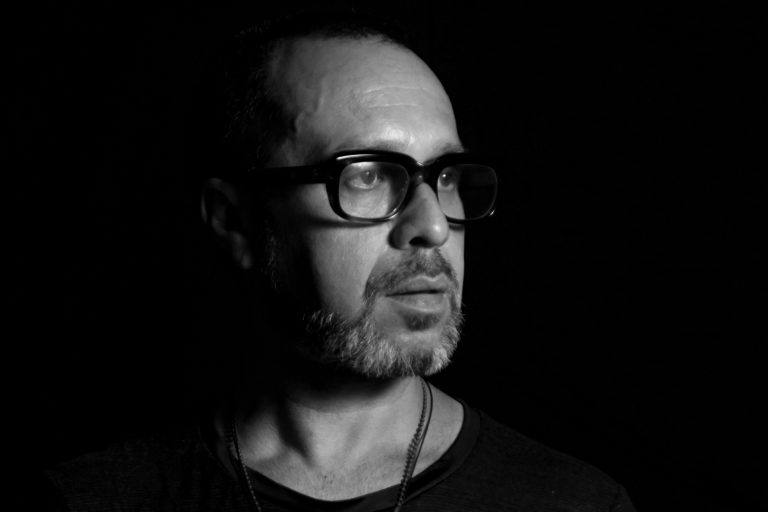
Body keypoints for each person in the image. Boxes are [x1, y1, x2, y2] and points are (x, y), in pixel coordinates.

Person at [41, 10, 636, 512]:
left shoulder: (576, 503)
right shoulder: (90, 500)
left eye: (447, 176)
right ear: (236, 221)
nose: (432, 226)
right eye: (368, 174)